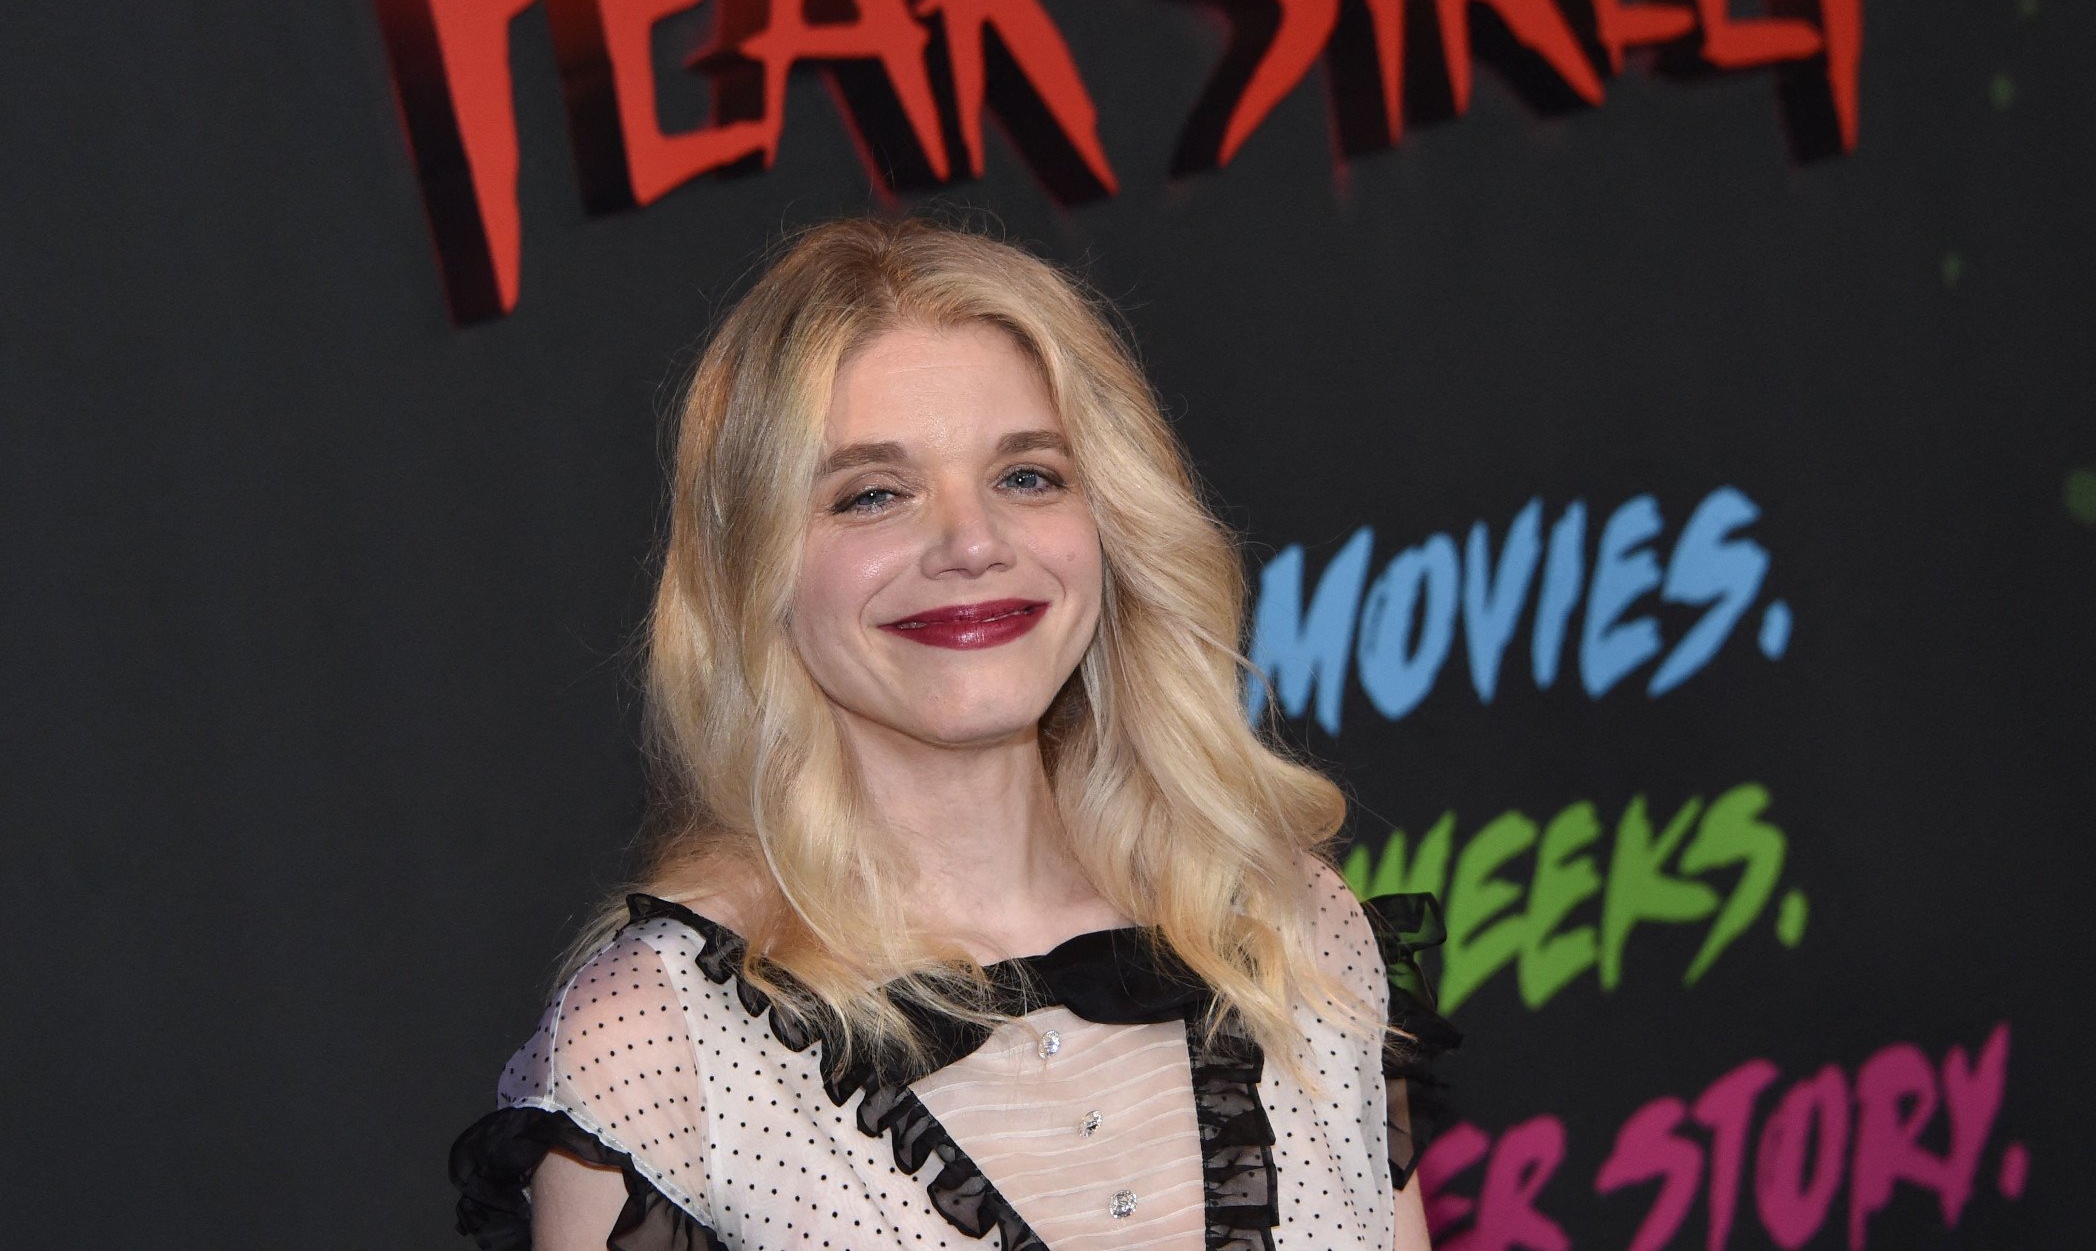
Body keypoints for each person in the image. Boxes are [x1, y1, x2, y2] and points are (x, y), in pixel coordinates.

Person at [450, 218, 1457, 1250]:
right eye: (873, 494)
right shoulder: (660, 1046)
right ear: (756, 573)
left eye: (1028, 475)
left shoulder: (1287, 931)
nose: (973, 543)